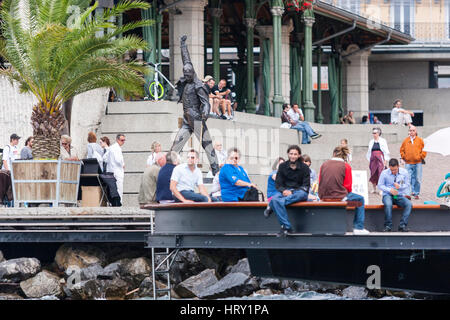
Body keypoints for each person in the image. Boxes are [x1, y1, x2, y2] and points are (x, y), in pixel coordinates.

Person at [170, 35, 220, 176]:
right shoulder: (187, 77)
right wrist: (182, 45)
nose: (186, 76)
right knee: (175, 147)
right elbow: (186, 59)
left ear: (193, 73)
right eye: (184, 74)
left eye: (188, 74)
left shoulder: (199, 86)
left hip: (197, 119)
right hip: (187, 120)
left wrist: (204, 114)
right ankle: (168, 170)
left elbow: (205, 103)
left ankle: (216, 171)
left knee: (207, 145)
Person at [318, 146, 369, 235]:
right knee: (360, 199)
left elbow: (320, 181)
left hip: (323, 196)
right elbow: (348, 186)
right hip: (339, 196)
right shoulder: (346, 166)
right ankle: (358, 227)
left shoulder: (324, 164)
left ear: (333, 154)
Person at [263, 145, 310, 236]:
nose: (293, 156)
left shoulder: (304, 167)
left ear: (299, 155)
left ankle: (273, 205)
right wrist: (284, 191)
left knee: (277, 200)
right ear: (288, 154)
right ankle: (287, 227)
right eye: (291, 154)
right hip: (284, 192)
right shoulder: (282, 166)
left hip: (298, 192)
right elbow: (278, 184)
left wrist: (291, 192)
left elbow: (306, 186)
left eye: (295, 154)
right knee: (276, 197)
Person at [377, 158, 412, 232]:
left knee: (409, 204)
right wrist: (389, 190)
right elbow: (380, 185)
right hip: (388, 195)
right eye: (391, 170)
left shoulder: (404, 172)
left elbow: (407, 184)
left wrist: (400, 187)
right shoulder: (384, 173)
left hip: (399, 195)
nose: (393, 172)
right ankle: (388, 226)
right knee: (388, 204)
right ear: (389, 167)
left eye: (395, 170)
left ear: (398, 166)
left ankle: (402, 225)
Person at [400, 125, 427, 200]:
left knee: (417, 178)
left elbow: (424, 149)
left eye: (413, 130)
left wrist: (421, 156)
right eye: (410, 130)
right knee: (407, 178)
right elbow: (401, 150)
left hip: (418, 162)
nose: (412, 132)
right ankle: (408, 193)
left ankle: (416, 193)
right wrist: (404, 156)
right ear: (409, 131)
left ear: (416, 131)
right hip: (408, 163)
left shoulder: (420, 140)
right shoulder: (405, 140)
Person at [366, 128, 390, 194]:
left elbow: (386, 151)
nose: (374, 134)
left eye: (375, 133)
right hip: (373, 159)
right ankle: (374, 188)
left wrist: (385, 160)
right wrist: (369, 160)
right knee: (373, 173)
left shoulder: (383, 141)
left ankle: (381, 189)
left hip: (380, 158)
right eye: (373, 133)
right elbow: (369, 152)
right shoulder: (371, 141)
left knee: (381, 173)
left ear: (378, 133)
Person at [106, 134, 126, 203]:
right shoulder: (117, 148)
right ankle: (119, 204)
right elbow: (118, 160)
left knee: (113, 190)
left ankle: (114, 203)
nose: (123, 142)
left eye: (124, 140)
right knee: (119, 189)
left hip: (111, 171)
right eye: (122, 140)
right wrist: (123, 164)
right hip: (117, 171)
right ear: (117, 140)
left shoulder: (111, 147)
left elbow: (105, 158)